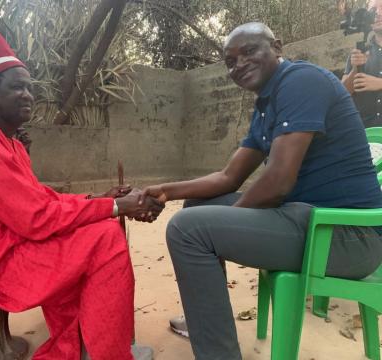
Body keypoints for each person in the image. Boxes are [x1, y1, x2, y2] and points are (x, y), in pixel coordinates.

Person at [141, 22, 382, 359]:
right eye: (230, 61)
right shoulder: (267, 104)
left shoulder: (302, 82)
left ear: (277, 47)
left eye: (250, 51)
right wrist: (166, 190)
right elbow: (229, 177)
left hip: (346, 238)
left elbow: (278, 182)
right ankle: (205, 317)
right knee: (196, 207)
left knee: (188, 229)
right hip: (308, 221)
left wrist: (224, 224)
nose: (239, 64)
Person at [0, 28, 163, 360]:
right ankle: (107, 353)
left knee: (93, 230)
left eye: (30, 88)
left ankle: (79, 342)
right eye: (17, 87)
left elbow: (37, 198)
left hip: (6, 242)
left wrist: (98, 199)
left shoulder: (5, 140)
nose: (27, 95)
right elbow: (36, 218)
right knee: (103, 239)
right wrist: (114, 206)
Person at [342, 0, 382, 127]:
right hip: (365, 133)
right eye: (373, 10)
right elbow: (343, 93)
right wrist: (355, 70)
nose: (378, 13)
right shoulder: (360, 50)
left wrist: (379, 83)